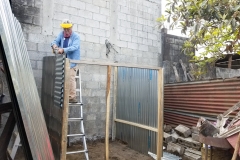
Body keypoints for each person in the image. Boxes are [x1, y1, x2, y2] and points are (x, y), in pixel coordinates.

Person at [51, 19, 80, 103]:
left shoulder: (76, 36)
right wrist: (54, 45)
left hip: (72, 61)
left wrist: (63, 50)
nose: (66, 31)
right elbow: (55, 41)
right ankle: (64, 95)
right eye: (65, 29)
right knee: (63, 78)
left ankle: (72, 97)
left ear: (71, 28)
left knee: (71, 77)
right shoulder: (61, 34)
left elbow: (74, 47)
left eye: (68, 29)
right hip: (64, 61)